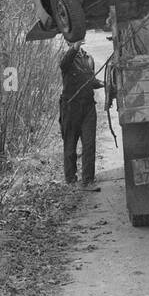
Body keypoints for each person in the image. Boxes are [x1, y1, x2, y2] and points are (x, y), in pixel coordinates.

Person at [59, 39, 103, 189]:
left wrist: (103, 83)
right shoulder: (65, 56)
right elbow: (63, 64)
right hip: (70, 108)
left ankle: (88, 180)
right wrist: (74, 47)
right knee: (70, 145)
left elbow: (91, 81)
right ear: (67, 41)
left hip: (88, 107)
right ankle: (71, 180)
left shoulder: (88, 58)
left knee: (89, 144)